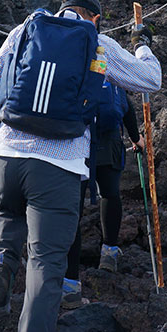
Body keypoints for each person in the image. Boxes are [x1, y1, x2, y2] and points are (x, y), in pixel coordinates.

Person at [0, 0, 161, 332]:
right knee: (46, 264)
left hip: (7, 155)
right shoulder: (97, 42)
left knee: (8, 215)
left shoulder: (24, 29)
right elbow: (149, 81)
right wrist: (144, 46)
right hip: (59, 165)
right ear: (94, 17)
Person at [63, 82, 143, 308]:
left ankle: (70, 284)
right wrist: (136, 138)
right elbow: (127, 107)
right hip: (109, 140)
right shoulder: (110, 61)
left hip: (76, 140)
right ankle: (109, 252)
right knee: (110, 193)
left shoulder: (74, 60)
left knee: (73, 211)